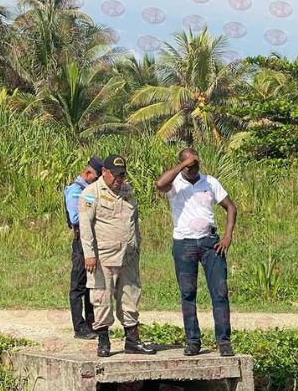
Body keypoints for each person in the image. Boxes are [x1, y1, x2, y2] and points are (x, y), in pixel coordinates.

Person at [155, 148, 238, 358]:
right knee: (188, 293)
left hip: (210, 243)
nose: (193, 169)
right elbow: (159, 184)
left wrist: (227, 236)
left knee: (219, 292)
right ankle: (193, 341)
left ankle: (224, 341)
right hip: (184, 244)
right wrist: (183, 165)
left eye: (195, 165)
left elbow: (230, 207)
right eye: (189, 166)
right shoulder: (175, 184)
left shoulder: (210, 182)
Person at [78, 155, 156, 357]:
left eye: (122, 175)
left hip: (128, 256)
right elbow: (85, 227)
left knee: (131, 295)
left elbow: (134, 220)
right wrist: (89, 255)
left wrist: (136, 245)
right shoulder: (91, 194)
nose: (119, 180)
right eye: (115, 175)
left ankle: (132, 340)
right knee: (101, 298)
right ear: (104, 172)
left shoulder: (127, 191)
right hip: (103, 257)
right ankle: (104, 342)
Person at [64, 155, 103, 339]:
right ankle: (78, 327)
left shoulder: (89, 191)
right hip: (81, 243)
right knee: (78, 286)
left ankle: (91, 322)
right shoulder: (75, 191)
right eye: (96, 178)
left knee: (91, 284)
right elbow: (75, 218)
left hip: (93, 242)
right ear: (88, 173)